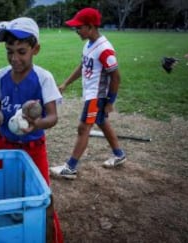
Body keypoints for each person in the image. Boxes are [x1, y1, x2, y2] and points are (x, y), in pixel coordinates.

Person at [0, 17, 63, 243]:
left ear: (35, 49)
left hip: (34, 147)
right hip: (5, 145)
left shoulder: (43, 78)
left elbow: (53, 117)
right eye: (9, 51)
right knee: (6, 189)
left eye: (21, 51)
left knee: (41, 196)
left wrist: (36, 125)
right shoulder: (1, 76)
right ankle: (12, 234)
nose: (14, 58)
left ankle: (51, 238)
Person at [50, 8, 126, 179]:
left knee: (83, 128)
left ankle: (70, 168)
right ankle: (119, 154)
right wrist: (65, 84)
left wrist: (109, 102)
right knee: (102, 122)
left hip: (97, 97)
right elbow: (83, 66)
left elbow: (116, 77)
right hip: (91, 94)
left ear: (90, 27)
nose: (76, 31)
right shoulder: (88, 44)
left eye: (79, 27)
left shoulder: (105, 50)